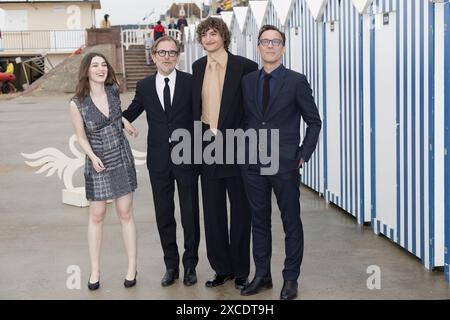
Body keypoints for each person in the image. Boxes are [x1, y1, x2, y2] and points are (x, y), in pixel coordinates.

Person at [240, 25, 322, 300]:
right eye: (265, 41)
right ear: (259, 47)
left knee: (291, 222)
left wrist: (302, 154)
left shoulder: (296, 81)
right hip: (253, 163)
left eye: (276, 42)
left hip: (285, 163)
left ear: (283, 48)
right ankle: (262, 275)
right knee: (259, 222)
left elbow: (314, 121)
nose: (270, 46)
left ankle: (291, 279)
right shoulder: (248, 81)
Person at [122, 36, 200, 287]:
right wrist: (121, 119)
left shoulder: (190, 83)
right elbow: (131, 112)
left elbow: (201, 117)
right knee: (164, 214)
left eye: (172, 52)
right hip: (158, 161)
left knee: (189, 213)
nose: (167, 57)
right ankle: (171, 266)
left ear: (178, 56)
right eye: (162, 52)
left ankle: (190, 266)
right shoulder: (144, 86)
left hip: (186, 157)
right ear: (154, 56)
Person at [192, 17, 258, 290]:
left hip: (236, 142)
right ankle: (222, 268)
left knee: (241, 209)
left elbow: (253, 110)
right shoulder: (196, 68)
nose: (209, 38)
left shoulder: (245, 66)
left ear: (224, 36)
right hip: (207, 142)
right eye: (204, 34)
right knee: (213, 209)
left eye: (214, 33)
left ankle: (242, 269)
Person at [69, 52, 139, 291]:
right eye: (94, 65)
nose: (100, 69)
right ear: (86, 70)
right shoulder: (76, 102)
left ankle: (131, 267)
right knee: (97, 215)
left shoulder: (113, 91)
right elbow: (80, 136)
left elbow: (115, 116)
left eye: (103, 65)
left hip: (120, 157)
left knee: (125, 213)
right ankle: (95, 270)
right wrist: (92, 156)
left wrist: (125, 122)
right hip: (97, 159)